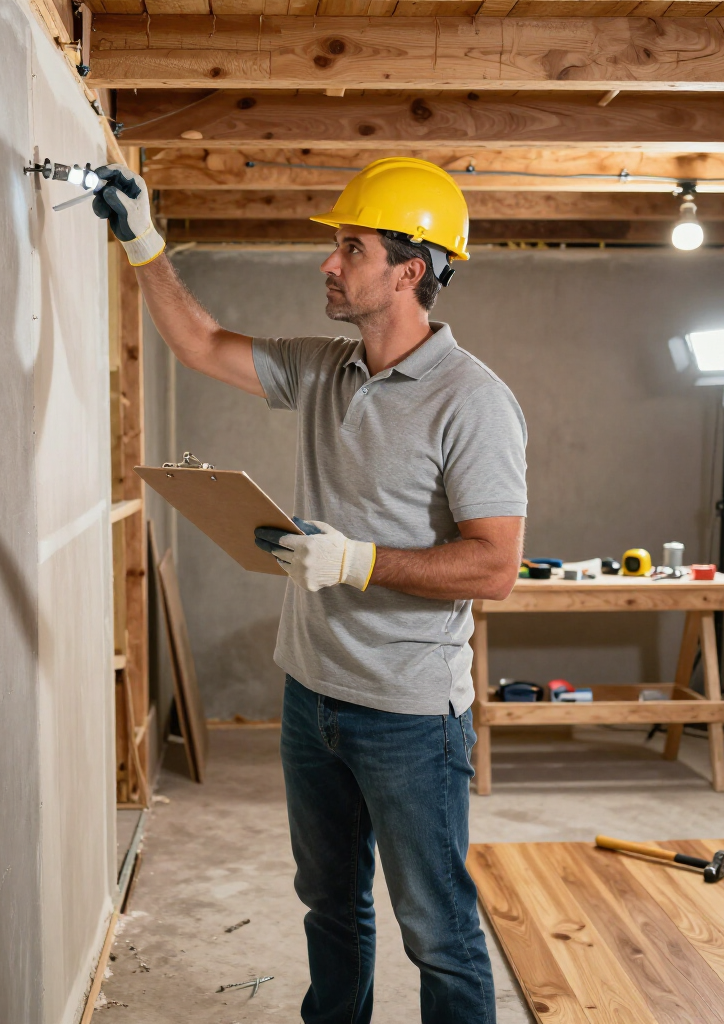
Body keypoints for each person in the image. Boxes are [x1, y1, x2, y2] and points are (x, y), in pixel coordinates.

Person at [92, 157, 527, 1024]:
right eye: (335, 246)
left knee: (437, 931)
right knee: (330, 907)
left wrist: (358, 562)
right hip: (311, 695)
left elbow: (495, 567)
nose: (329, 264)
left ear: (411, 270)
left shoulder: (473, 401)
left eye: (350, 247)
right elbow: (202, 345)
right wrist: (143, 244)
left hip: (408, 717)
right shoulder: (324, 369)